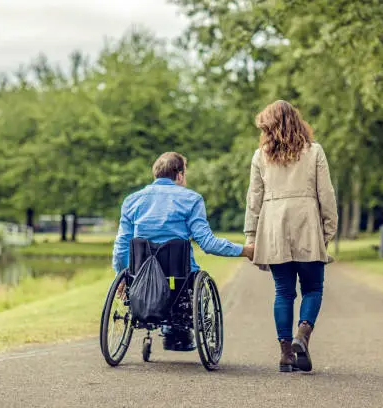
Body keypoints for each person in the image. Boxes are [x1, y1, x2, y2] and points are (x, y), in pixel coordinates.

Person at [113, 151, 255, 351]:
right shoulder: (191, 199)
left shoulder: (132, 201)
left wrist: (123, 277)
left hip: (140, 276)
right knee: (185, 279)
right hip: (180, 278)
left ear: (156, 175)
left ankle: (168, 329)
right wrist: (245, 251)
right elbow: (207, 243)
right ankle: (176, 332)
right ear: (179, 175)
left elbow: (121, 246)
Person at [244, 100, 338, 373]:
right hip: (307, 222)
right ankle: (303, 334)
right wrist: (328, 229)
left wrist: (251, 234)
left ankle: (286, 354)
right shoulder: (315, 151)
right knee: (313, 288)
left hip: (274, 224)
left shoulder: (260, 156)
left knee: (283, 292)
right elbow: (326, 194)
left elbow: (254, 199)